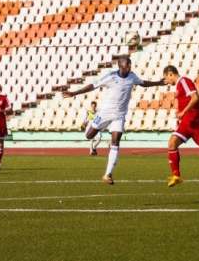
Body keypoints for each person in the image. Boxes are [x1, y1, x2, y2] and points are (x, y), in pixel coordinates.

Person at [63, 55, 167, 185]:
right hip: (105, 112)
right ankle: (92, 122)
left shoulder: (132, 76)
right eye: (127, 65)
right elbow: (92, 86)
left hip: (120, 114)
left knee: (116, 140)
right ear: (120, 66)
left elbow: (143, 83)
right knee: (89, 135)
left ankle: (108, 174)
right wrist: (74, 93)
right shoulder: (111, 77)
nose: (129, 67)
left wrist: (158, 82)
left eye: (130, 64)